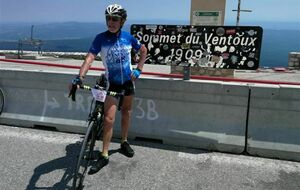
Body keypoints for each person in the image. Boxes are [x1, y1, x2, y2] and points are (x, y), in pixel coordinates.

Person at [70, 4, 147, 174]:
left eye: (115, 19)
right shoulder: (100, 38)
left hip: (128, 82)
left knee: (126, 112)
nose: (110, 22)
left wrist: (139, 69)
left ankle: (124, 142)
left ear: (122, 21)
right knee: (109, 119)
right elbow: (90, 58)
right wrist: (80, 76)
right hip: (112, 84)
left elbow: (143, 50)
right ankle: (104, 154)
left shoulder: (128, 38)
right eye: (108, 18)